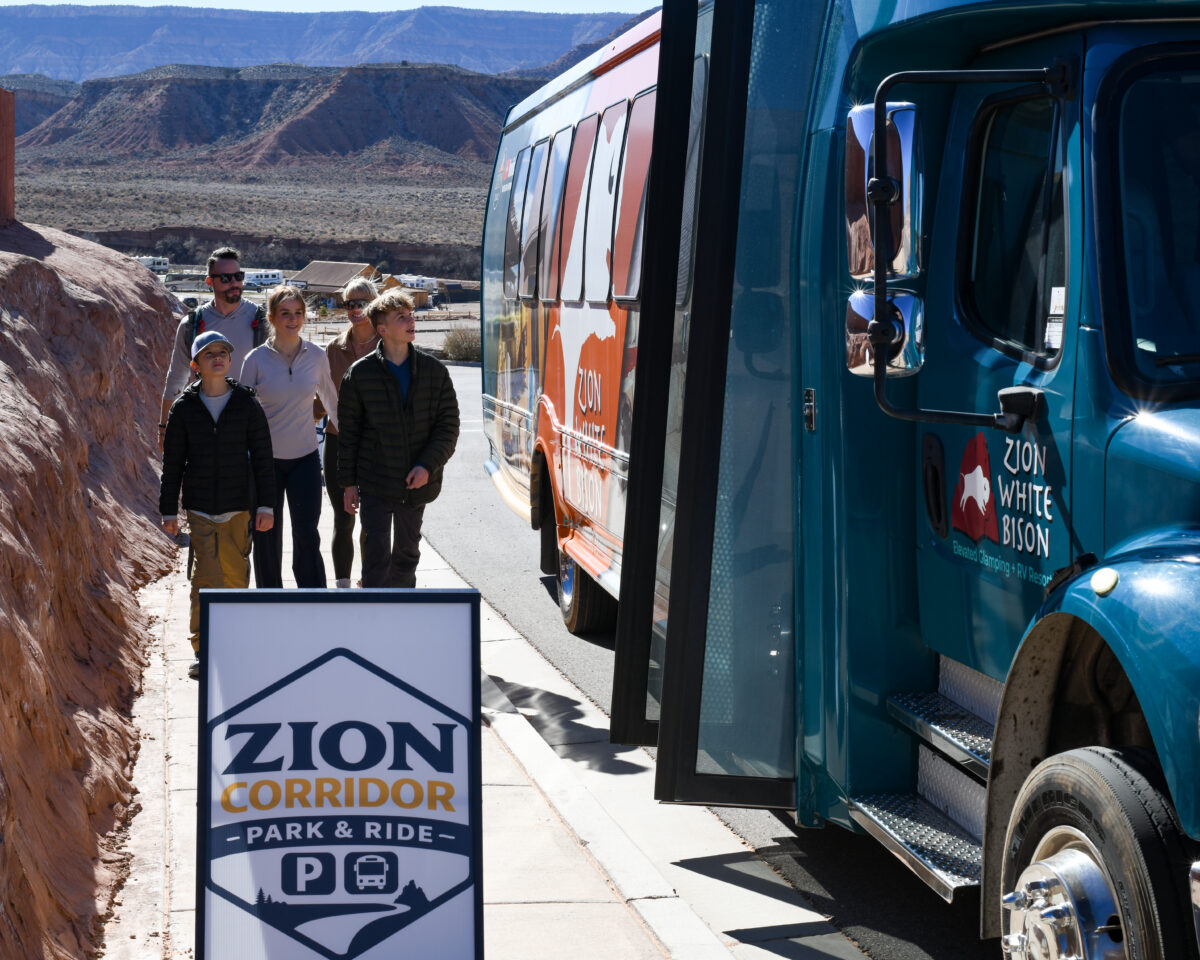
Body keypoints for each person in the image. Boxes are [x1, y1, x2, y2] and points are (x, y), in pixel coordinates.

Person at [159, 330, 275, 679]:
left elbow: (264, 458)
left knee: (235, 577)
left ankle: (236, 646)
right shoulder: (183, 408)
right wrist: (168, 510)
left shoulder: (246, 403)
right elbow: (173, 463)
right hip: (200, 510)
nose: (219, 357)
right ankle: (205, 650)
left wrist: (266, 506)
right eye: (210, 354)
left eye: (224, 351)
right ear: (195, 365)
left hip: (239, 507)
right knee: (205, 581)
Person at [337, 291, 459, 588]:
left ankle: (403, 622)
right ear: (382, 329)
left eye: (411, 315)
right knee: (376, 556)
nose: (410, 321)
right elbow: (349, 434)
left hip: (416, 483)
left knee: (407, 555)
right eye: (401, 317)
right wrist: (348, 484)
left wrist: (426, 466)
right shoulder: (359, 374)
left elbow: (448, 427)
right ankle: (373, 623)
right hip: (375, 482)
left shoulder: (435, 372)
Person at [240, 285, 339, 588]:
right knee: (266, 534)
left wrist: (351, 450)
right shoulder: (255, 360)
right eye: (285, 313)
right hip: (264, 463)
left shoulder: (317, 356)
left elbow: (333, 404)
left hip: (305, 460)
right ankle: (270, 598)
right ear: (272, 317)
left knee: (307, 533)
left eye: (298, 313)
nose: (292, 319)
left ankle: (313, 599)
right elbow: (241, 414)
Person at [158, 246, 266, 450]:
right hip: (205, 429)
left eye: (238, 276)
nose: (234, 283)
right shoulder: (192, 324)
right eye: (226, 278)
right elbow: (176, 378)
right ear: (210, 282)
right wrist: (164, 428)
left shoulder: (261, 321)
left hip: (251, 432)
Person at [321, 277, 380, 588]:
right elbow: (320, 397)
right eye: (349, 304)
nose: (356, 309)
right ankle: (342, 586)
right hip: (339, 442)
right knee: (344, 519)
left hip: (377, 447)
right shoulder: (333, 350)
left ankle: (368, 582)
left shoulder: (389, 346)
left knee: (374, 520)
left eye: (363, 303)